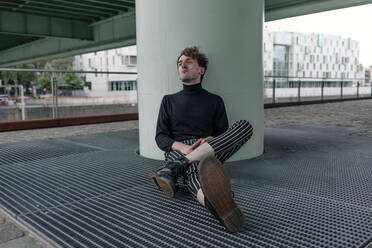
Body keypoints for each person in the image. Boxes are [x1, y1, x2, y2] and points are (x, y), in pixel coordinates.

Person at [151, 46, 253, 232]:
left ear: (201, 69)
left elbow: (223, 134)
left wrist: (209, 140)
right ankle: (215, 205)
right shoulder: (169, 100)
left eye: (189, 62)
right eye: (180, 63)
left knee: (245, 126)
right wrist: (183, 148)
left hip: (210, 148)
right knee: (194, 173)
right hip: (179, 151)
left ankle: (174, 169)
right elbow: (160, 137)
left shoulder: (215, 101)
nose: (183, 65)